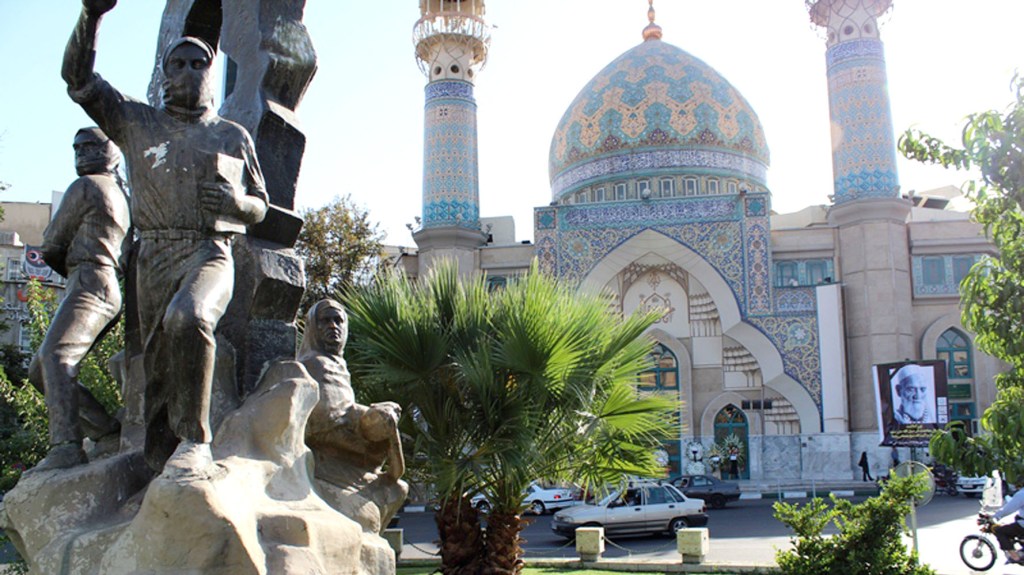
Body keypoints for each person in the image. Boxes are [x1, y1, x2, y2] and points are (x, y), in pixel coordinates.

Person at [63, 0, 269, 474]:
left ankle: (197, 442)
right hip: (152, 254)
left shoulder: (231, 136)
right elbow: (78, 80)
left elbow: (260, 204)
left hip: (210, 251)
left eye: (200, 63)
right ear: (164, 74)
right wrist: (91, 17)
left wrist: (238, 205)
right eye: (178, 63)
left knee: (190, 317)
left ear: (211, 73)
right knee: (155, 377)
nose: (189, 70)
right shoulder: (137, 122)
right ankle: (161, 469)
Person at [27, 127, 130, 471]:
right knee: (40, 368)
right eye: (77, 148)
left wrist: (72, 269)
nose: (81, 154)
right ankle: (105, 430)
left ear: (110, 151)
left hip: (87, 280)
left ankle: (66, 446)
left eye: (90, 146)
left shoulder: (86, 187)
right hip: (106, 286)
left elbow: (51, 245)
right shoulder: (123, 195)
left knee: (55, 357)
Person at [300, 299, 407, 534]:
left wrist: (380, 425)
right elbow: (321, 422)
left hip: (356, 461)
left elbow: (397, 471)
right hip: (325, 464)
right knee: (366, 519)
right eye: (325, 321)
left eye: (338, 320)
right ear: (313, 327)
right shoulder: (311, 365)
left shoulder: (340, 365)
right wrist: (360, 418)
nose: (333, 326)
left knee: (399, 489)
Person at [983, 480, 1024, 563]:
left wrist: (995, 516)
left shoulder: (1021, 494)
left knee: (1000, 531)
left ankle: (1015, 557)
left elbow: (1008, 509)